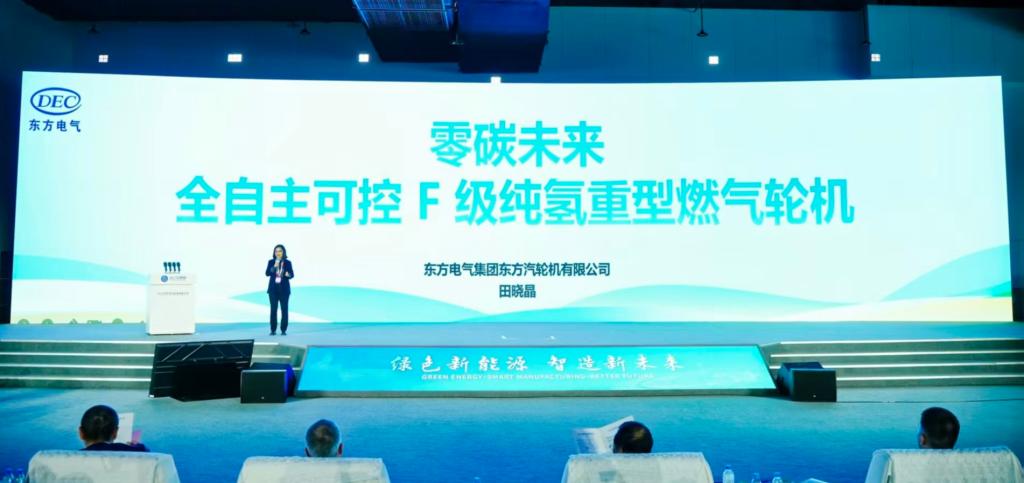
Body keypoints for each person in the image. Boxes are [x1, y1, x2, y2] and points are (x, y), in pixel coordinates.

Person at [79, 404, 148, 452]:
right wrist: (136, 446)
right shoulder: (137, 451)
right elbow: (144, 452)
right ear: (115, 433)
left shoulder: (75, 458)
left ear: (81, 433)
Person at [265, 244, 294, 336]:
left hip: (284, 290)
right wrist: (274, 266)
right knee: (273, 310)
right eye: (276, 251)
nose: (278, 253)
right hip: (273, 290)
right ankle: (273, 330)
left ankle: (283, 330)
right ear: (274, 252)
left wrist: (287, 274)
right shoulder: (271, 262)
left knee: (284, 310)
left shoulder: (288, 262)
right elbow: (267, 273)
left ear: (283, 252)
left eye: (280, 251)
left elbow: (292, 275)